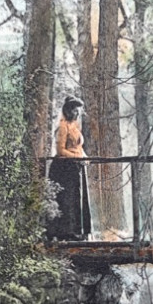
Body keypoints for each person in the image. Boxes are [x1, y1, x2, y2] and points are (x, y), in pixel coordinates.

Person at [46, 98, 91, 240]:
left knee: (77, 198)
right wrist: (76, 157)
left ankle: (79, 231)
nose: (78, 113)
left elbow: (78, 146)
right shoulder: (63, 126)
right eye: (75, 110)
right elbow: (60, 151)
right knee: (66, 199)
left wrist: (84, 157)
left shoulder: (74, 127)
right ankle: (65, 233)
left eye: (79, 110)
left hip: (75, 167)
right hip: (64, 168)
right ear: (69, 111)